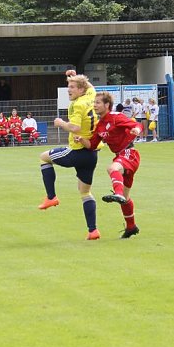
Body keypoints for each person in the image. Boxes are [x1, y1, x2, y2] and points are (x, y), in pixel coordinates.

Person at [37, 70, 100, 240]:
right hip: (91, 154)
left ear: (81, 90)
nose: (69, 90)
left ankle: (51, 197)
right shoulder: (91, 96)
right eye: (68, 86)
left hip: (77, 152)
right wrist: (75, 76)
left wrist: (61, 123)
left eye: (72, 87)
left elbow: (75, 128)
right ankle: (93, 230)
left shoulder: (78, 104)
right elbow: (91, 87)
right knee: (85, 192)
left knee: (44, 157)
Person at [75, 91, 142, 239]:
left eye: (98, 103)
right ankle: (131, 227)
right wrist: (81, 140)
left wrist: (136, 129)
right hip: (122, 155)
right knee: (125, 197)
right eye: (94, 103)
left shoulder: (116, 117)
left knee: (112, 168)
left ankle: (116, 193)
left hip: (129, 153)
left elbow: (136, 124)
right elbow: (92, 145)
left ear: (107, 105)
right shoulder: (100, 126)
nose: (95, 105)